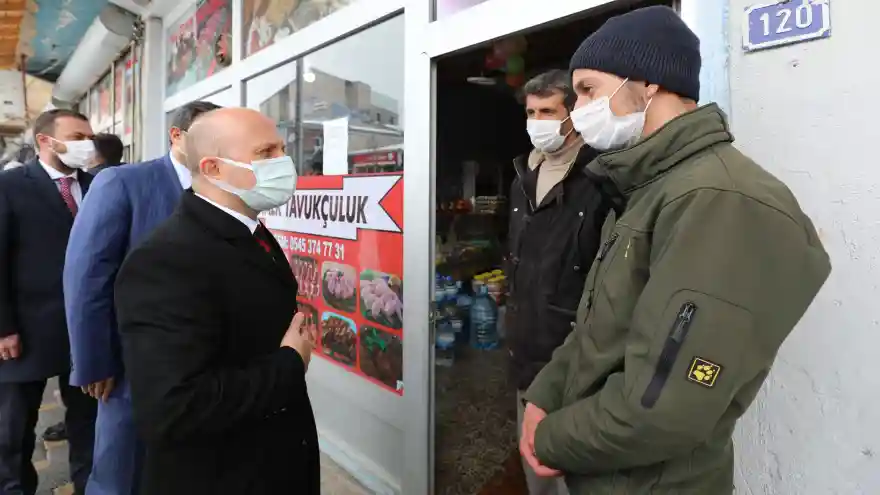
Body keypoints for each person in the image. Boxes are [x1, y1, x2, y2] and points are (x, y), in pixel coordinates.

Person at [519, 6, 831, 494]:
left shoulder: (720, 200)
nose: (577, 112)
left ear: (648, 84)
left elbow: (664, 405)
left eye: (588, 91)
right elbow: (598, 328)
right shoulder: (646, 189)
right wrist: (544, 395)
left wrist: (550, 439)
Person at [114, 107, 319, 495]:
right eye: (266, 152)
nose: (284, 162)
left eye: (282, 149)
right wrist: (290, 364)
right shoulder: (166, 260)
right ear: (213, 168)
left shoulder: (249, 229)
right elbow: (172, 408)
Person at [63, 100, 221, 495]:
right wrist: (93, 361)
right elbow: (86, 277)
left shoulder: (223, 186)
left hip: (202, 365)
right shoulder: (125, 183)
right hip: (129, 364)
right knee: (121, 470)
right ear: (177, 136)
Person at [507, 70, 606, 495]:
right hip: (526, 354)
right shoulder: (522, 177)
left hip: (576, 362)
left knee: (574, 476)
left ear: (573, 113)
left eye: (548, 111)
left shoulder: (601, 178)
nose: (537, 121)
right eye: (531, 112)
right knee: (536, 469)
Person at [0, 109, 98, 495]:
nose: (86, 144)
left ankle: (89, 485)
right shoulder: (10, 185)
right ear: (45, 140)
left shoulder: (98, 185)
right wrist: (3, 326)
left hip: (86, 328)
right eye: (77, 136)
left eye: (89, 136)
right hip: (25, 328)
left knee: (87, 421)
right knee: (14, 428)